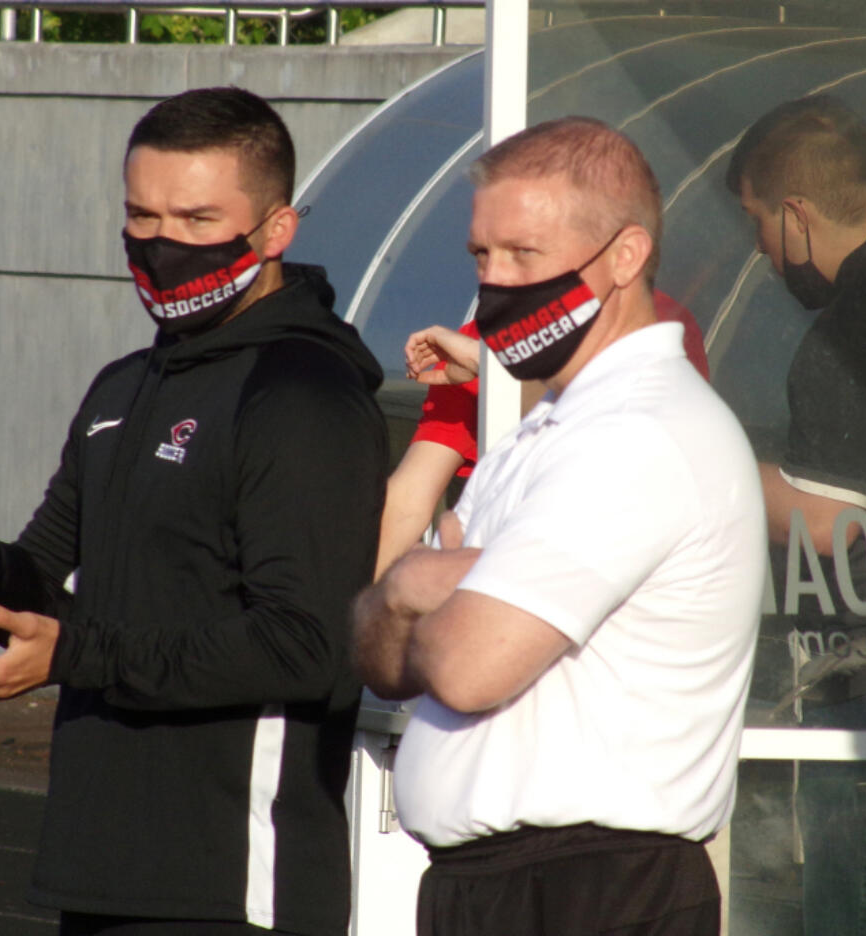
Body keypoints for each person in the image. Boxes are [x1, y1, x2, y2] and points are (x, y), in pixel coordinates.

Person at [0, 87, 388, 936]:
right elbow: (39, 604)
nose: (163, 244)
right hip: (101, 868)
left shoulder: (301, 391)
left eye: (197, 220)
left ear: (276, 231)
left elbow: (304, 648)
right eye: (142, 216)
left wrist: (76, 652)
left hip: (232, 887)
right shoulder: (126, 386)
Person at [354, 116, 766, 936]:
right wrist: (410, 587)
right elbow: (376, 659)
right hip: (500, 890)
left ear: (625, 256)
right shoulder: (545, 432)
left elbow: (468, 668)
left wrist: (431, 594)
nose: (495, 284)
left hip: (592, 892)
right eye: (482, 256)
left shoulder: (640, 433)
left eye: (524, 256)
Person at [726, 93, 866, 936]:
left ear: (797, 216)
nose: (763, 253)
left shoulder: (862, 315)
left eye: (759, 225)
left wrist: (703, 459)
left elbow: (830, 522)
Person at [375, 295, 710, 577]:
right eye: (483, 254)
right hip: (507, 585)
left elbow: (626, 470)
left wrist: (489, 365)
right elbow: (407, 500)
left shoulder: (651, 322)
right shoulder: (476, 339)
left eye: (521, 249)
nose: (495, 272)